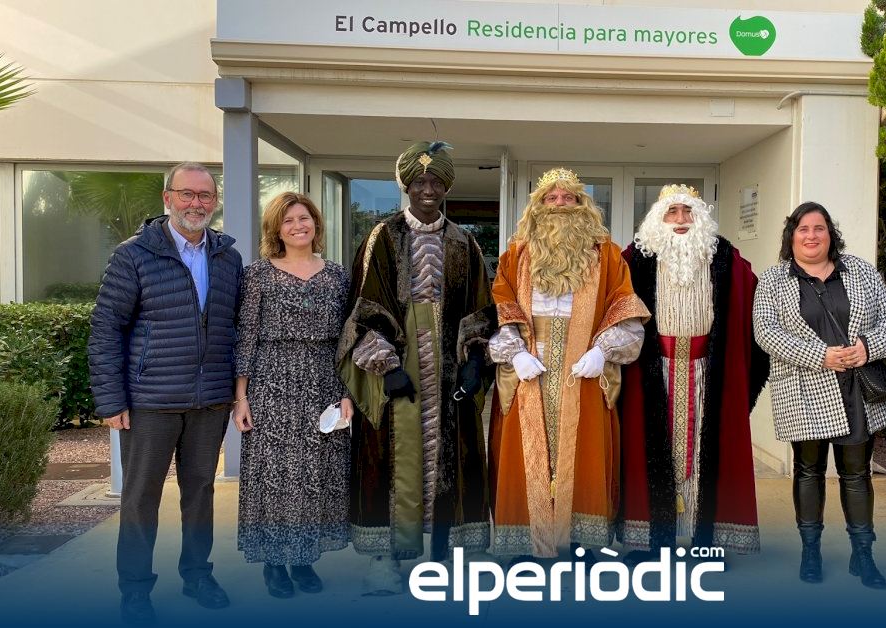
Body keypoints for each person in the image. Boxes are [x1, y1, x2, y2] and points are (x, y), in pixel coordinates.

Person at [338, 141, 496, 595]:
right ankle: (386, 559)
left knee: (454, 457)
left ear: (446, 187)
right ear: (405, 186)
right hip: (397, 363)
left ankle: (447, 554)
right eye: (419, 182)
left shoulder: (464, 241)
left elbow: (482, 310)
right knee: (391, 459)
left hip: (451, 366)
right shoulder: (383, 237)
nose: (428, 190)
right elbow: (363, 306)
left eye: (436, 182)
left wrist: (475, 359)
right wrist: (386, 366)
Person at [88, 162, 241, 624]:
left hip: (209, 401)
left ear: (214, 201)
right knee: (140, 498)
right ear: (167, 198)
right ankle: (135, 589)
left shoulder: (228, 257)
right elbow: (106, 329)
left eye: (205, 195)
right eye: (187, 194)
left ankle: (197, 575)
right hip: (149, 401)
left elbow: (236, 328)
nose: (196, 203)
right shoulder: (133, 255)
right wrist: (111, 400)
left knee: (200, 493)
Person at [488, 167, 649, 560]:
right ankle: (525, 543)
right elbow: (498, 308)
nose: (560, 204)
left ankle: (584, 542)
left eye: (568, 197)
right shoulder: (516, 255)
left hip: (584, 371)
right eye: (551, 197)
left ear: (582, 204)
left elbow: (625, 311)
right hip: (530, 369)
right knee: (525, 456)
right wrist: (516, 352)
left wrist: (603, 351)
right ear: (538, 205)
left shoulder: (607, 255)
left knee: (586, 454)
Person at [752, 202, 886, 589]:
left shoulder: (860, 270)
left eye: (819, 228)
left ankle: (863, 555)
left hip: (856, 389)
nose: (812, 236)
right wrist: (820, 356)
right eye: (803, 229)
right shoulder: (774, 279)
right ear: (792, 236)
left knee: (857, 473)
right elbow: (765, 331)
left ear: (830, 234)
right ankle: (811, 552)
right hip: (803, 389)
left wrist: (869, 346)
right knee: (808, 470)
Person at [618, 184, 767, 562]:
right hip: (652, 374)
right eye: (672, 212)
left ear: (700, 217)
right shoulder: (635, 260)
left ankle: (705, 541)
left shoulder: (726, 259)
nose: (681, 219)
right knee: (653, 455)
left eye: (688, 211)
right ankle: (654, 542)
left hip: (708, 374)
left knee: (706, 456)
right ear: (658, 218)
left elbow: (755, 304)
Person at [232, 192, 351, 598]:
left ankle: (303, 559)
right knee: (274, 476)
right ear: (276, 230)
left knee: (314, 475)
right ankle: (273, 562)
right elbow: (246, 336)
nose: (298, 226)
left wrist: (347, 392)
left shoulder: (337, 276)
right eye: (288, 221)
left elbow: (348, 339)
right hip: (272, 384)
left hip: (323, 382)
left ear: (316, 223)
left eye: (304, 218)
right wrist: (241, 397)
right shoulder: (258, 274)